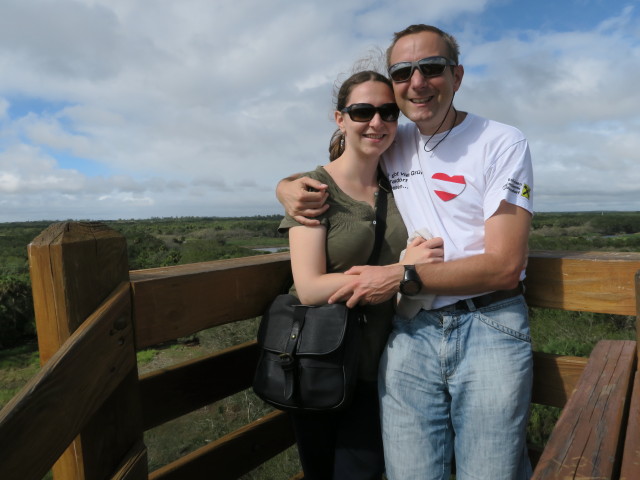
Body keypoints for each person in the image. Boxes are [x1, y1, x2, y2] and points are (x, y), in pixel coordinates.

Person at [276, 25, 534, 480]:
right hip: (412, 330)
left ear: (456, 75)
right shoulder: (397, 141)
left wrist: (400, 277)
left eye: (431, 68)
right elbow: (341, 165)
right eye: (403, 72)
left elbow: (506, 266)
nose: (417, 81)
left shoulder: (500, 141)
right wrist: (285, 188)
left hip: (487, 324)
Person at [279, 69, 443, 480]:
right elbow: (311, 287)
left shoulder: (400, 187)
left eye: (388, 112)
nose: (377, 122)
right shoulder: (313, 191)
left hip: (386, 366)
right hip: (323, 363)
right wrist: (400, 272)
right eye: (362, 111)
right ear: (340, 119)